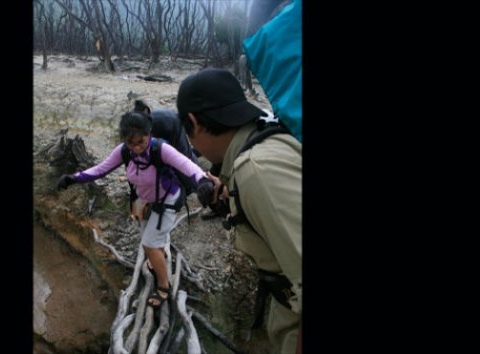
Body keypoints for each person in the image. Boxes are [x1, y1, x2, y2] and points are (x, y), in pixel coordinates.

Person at [176, 67, 301, 354]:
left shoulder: (256, 170)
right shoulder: (267, 137)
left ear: (193, 122)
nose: (194, 147)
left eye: (188, 134)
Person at [56, 110, 214, 308]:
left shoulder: (161, 149)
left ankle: (164, 286)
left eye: (142, 141)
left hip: (166, 200)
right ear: (125, 140)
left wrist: (203, 182)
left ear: (149, 134)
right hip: (141, 201)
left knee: (148, 244)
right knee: (148, 239)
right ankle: (159, 256)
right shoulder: (123, 151)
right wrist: (73, 178)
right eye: (132, 143)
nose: (137, 148)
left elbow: (187, 166)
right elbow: (101, 169)